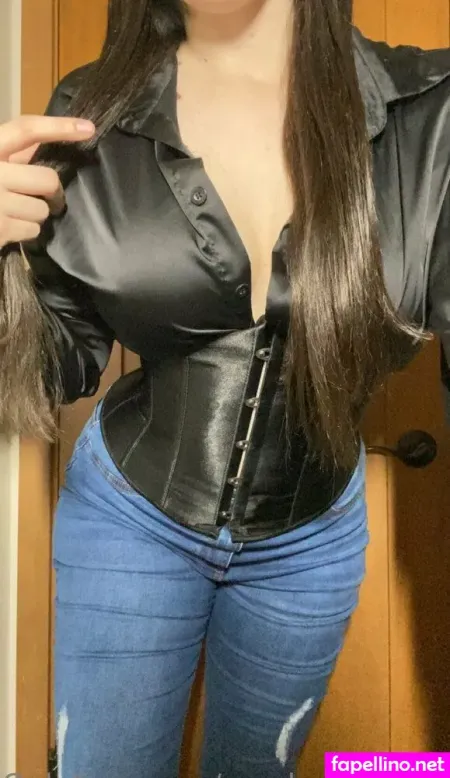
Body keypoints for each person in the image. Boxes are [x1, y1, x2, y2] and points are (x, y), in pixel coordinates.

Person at [0, 0, 449, 775]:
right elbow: (59, 358)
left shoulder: (428, 113)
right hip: (127, 518)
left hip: (312, 541)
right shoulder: (91, 111)